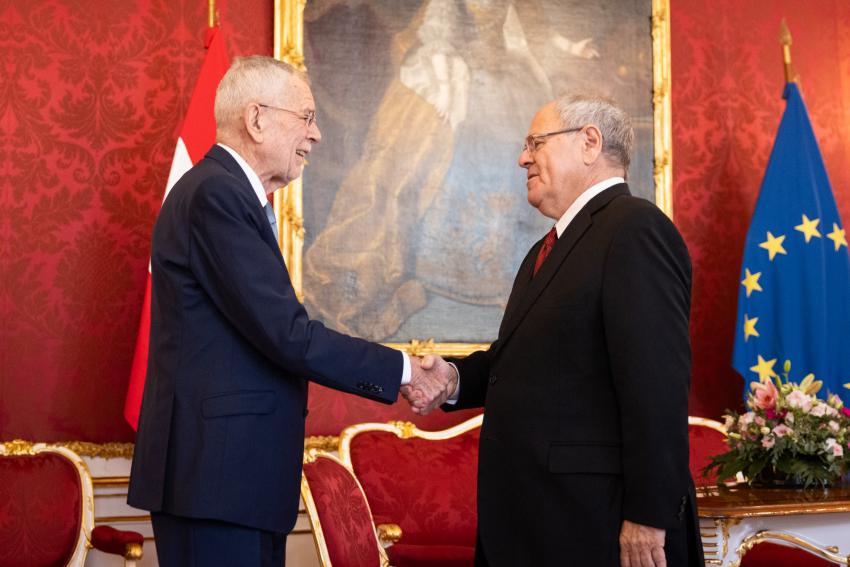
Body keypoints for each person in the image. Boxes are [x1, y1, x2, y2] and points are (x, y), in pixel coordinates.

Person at [127, 56, 454, 567]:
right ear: (257, 119)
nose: (317, 134)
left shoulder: (230, 195)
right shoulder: (217, 194)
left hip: (235, 480)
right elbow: (287, 334)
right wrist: (406, 370)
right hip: (216, 481)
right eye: (305, 116)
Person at [417, 94, 704, 567]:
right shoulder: (545, 250)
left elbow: (657, 385)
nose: (522, 157)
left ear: (589, 142)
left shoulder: (634, 229)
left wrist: (649, 515)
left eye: (535, 142)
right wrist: (451, 379)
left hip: (600, 524)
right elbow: (520, 362)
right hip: (539, 520)